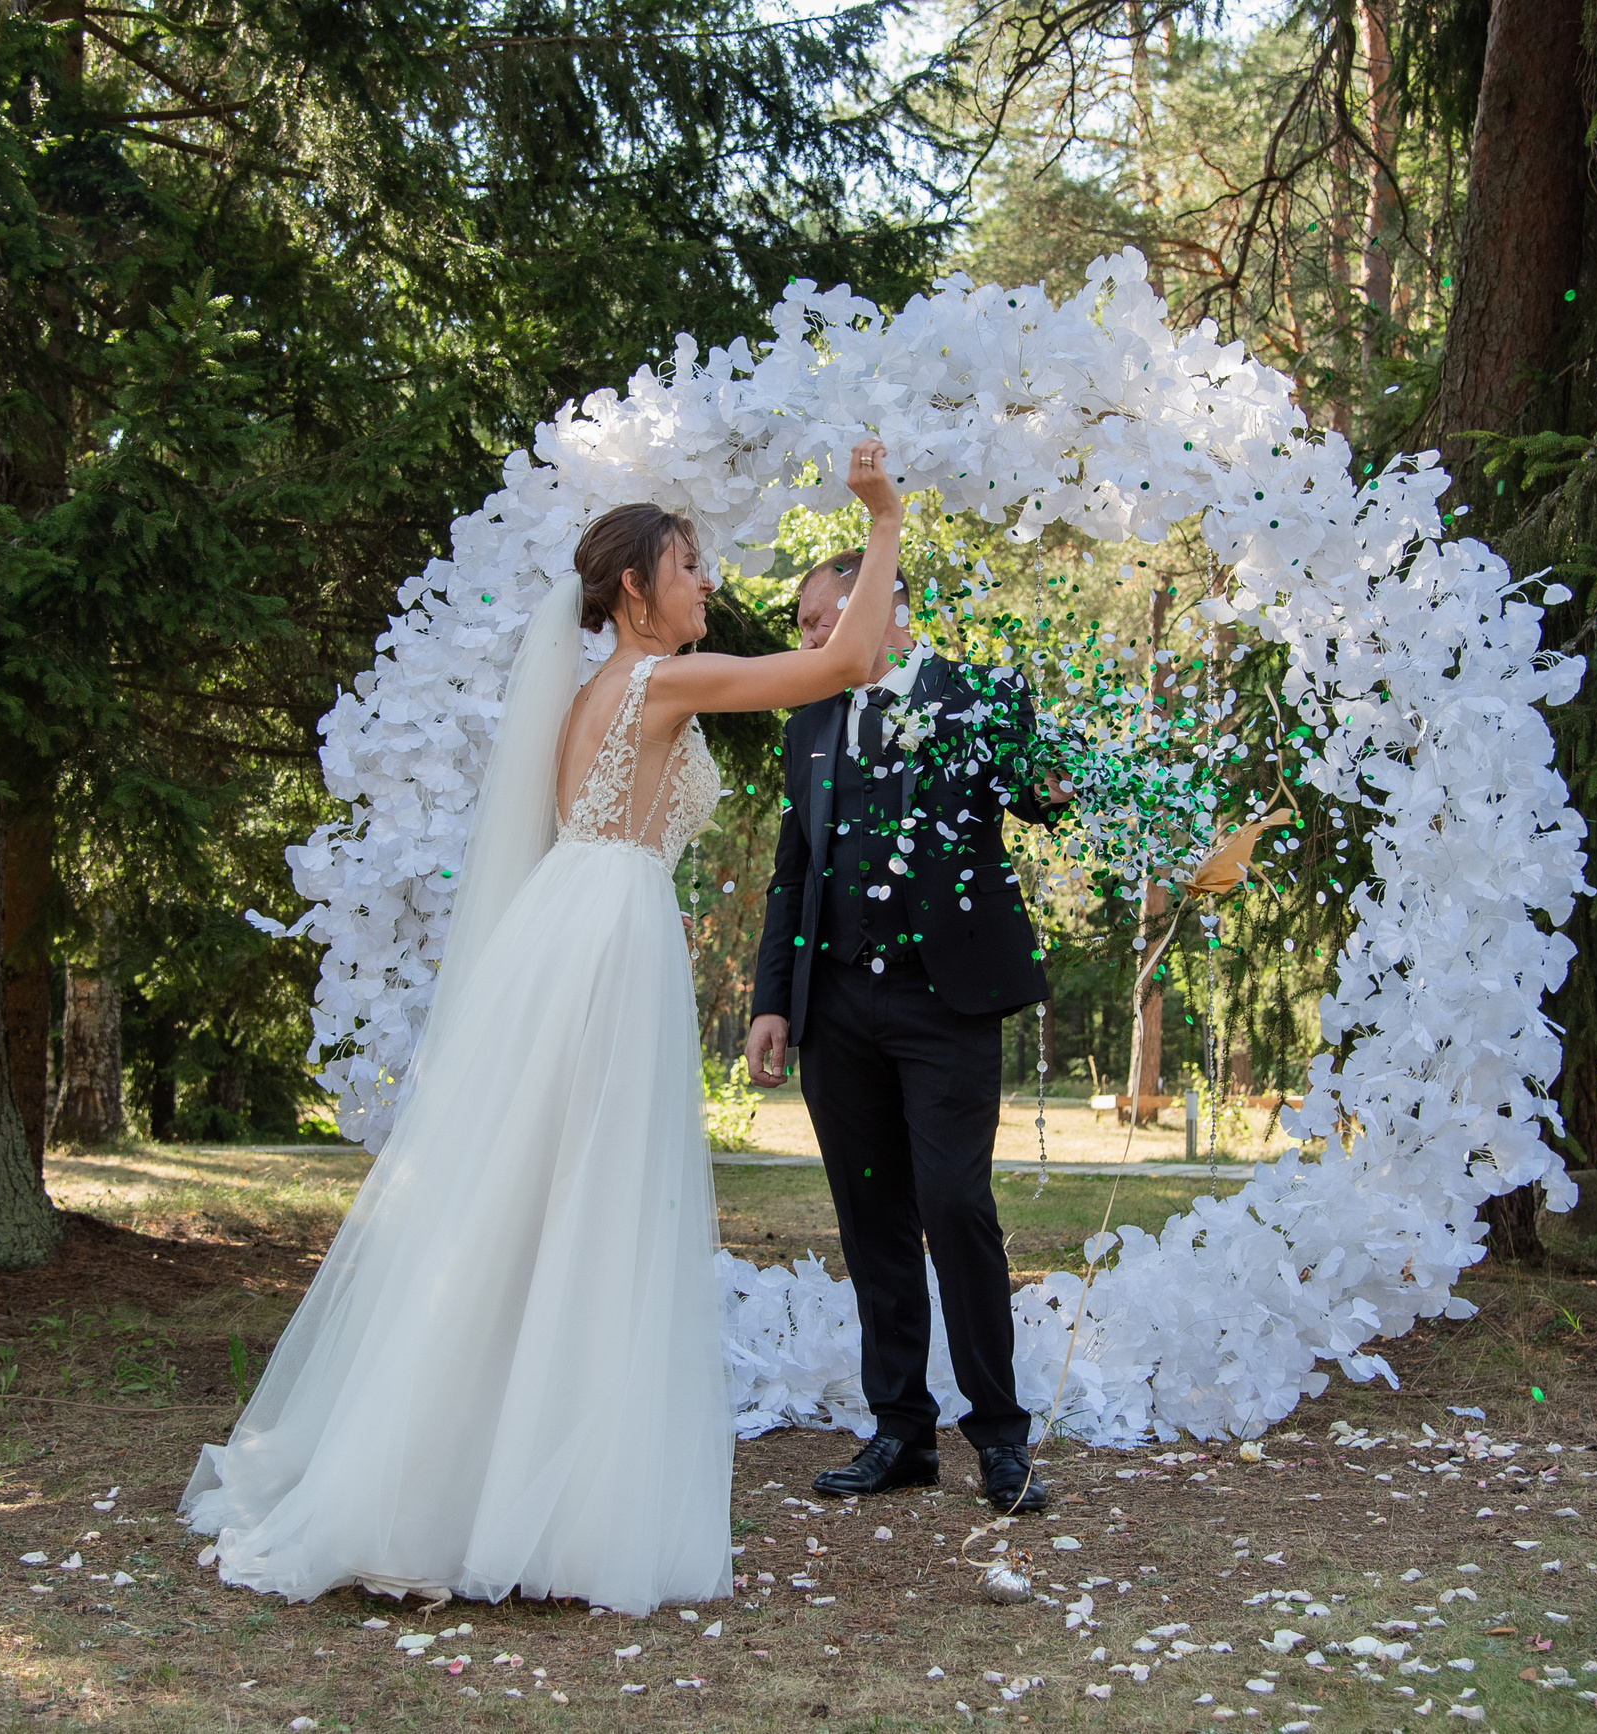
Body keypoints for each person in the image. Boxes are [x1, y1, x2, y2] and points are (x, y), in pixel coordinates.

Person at [180, 442, 908, 1616]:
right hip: (606, 938)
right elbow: (855, 659)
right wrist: (879, 523)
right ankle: (528, 1498)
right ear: (632, 590)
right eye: (686, 566)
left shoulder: (590, 696)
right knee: (586, 1202)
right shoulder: (660, 681)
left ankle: (468, 1481)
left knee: (528, 1203)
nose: (704, 586)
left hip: (578, 923)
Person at [743, 552, 1069, 1512]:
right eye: (802, 626)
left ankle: (1002, 1440)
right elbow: (792, 873)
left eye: (815, 622)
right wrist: (773, 1000)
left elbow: (1044, 797)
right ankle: (900, 1433)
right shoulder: (808, 720)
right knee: (870, 1219)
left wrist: (1058, 769)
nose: (803, 642)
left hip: (946, 1003)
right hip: (835, 1006)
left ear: (883, 609)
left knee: (957, 1206)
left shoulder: (979, 698)